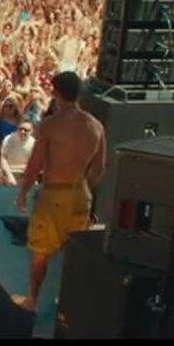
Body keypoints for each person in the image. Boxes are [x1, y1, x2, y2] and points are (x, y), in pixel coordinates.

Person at [13, 72, 105, 312]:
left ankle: (33, 300)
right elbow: (100, 167)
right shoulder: (95, 126)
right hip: (80, 193)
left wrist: (23, 192)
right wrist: (84, 187)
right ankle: (66, 302)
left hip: (54, 194)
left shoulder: (51, 125)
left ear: (55, 93)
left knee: (40, 251)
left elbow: (35, 164)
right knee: (72, 251)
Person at [0, 119, 35, 186]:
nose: (22, 132)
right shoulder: (8, 139)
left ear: (32, 131)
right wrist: (10, 176)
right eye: (20, 129)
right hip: (8, 177)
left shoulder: (34, 143)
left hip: (25, 178)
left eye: (26, 130)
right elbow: (3, 158)